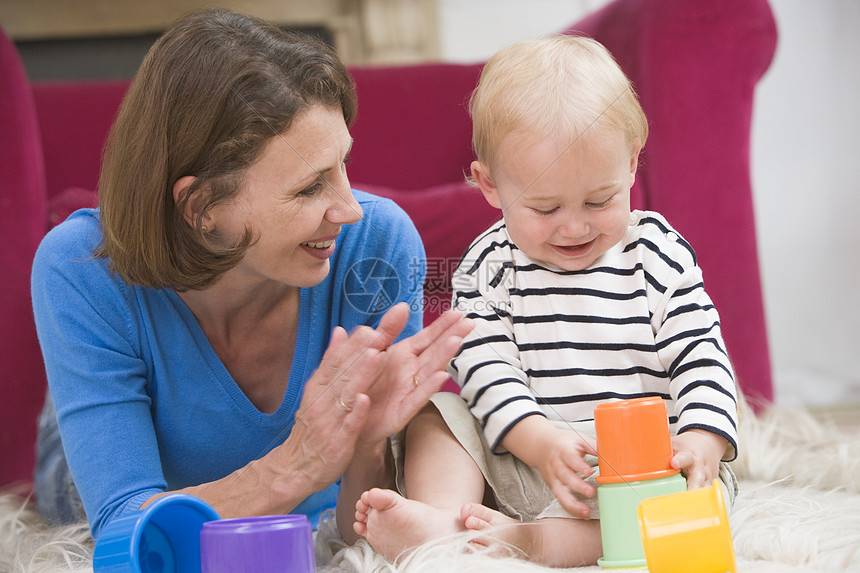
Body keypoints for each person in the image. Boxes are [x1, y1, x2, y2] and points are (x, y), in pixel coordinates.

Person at [30, 8, 473, 542]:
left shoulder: (378, 245)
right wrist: (291, 466)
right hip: (87, 450)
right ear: (201, 205)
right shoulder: (78, 270)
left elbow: (368, 523)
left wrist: (369, 447)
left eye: (344, 167)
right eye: (310, 187)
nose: (349, 209)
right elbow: (123, 530)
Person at [353, 35, 739, 567]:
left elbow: (701, 353)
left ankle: (533, 543)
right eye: (545, 207)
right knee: (437, 414)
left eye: (599, 201)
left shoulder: (656, 252)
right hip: (523, 452)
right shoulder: (487, 266)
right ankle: (441, 520)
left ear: (631, 166)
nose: (575, 225)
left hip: (640, 468)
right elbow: (487, 371)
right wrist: (539, 443)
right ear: (490, 186)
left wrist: (700, 439)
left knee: (698, 497)